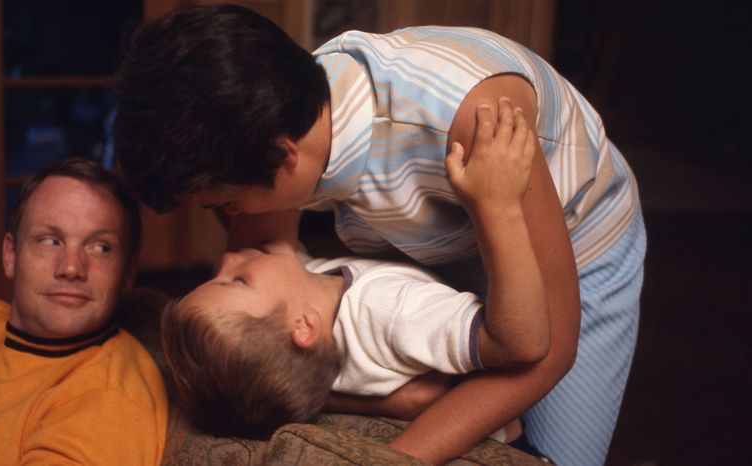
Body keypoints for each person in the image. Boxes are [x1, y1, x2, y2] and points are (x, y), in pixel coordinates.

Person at [113, 5, 646, 465]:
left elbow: (545, 350)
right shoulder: (280, 113)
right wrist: (393, 401)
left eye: (225, 205)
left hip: (576, 243)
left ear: (285, 156)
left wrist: (389, 457)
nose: (235, 243)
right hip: (443, 238)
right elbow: (269, 334)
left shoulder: (473, 120)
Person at [161, 108, 547, 449]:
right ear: (304, 326)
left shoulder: (297, 341)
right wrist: (498, 206)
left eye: (219, 274)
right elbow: (515, 344)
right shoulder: (391, 313)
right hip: (517, 442)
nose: (228, 257)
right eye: (238, 280)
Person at [0, 157, 168, 465]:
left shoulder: (109, 393)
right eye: (50, 241)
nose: (71, 268)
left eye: (100, 247)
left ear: (128, 273)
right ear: (10, 255)